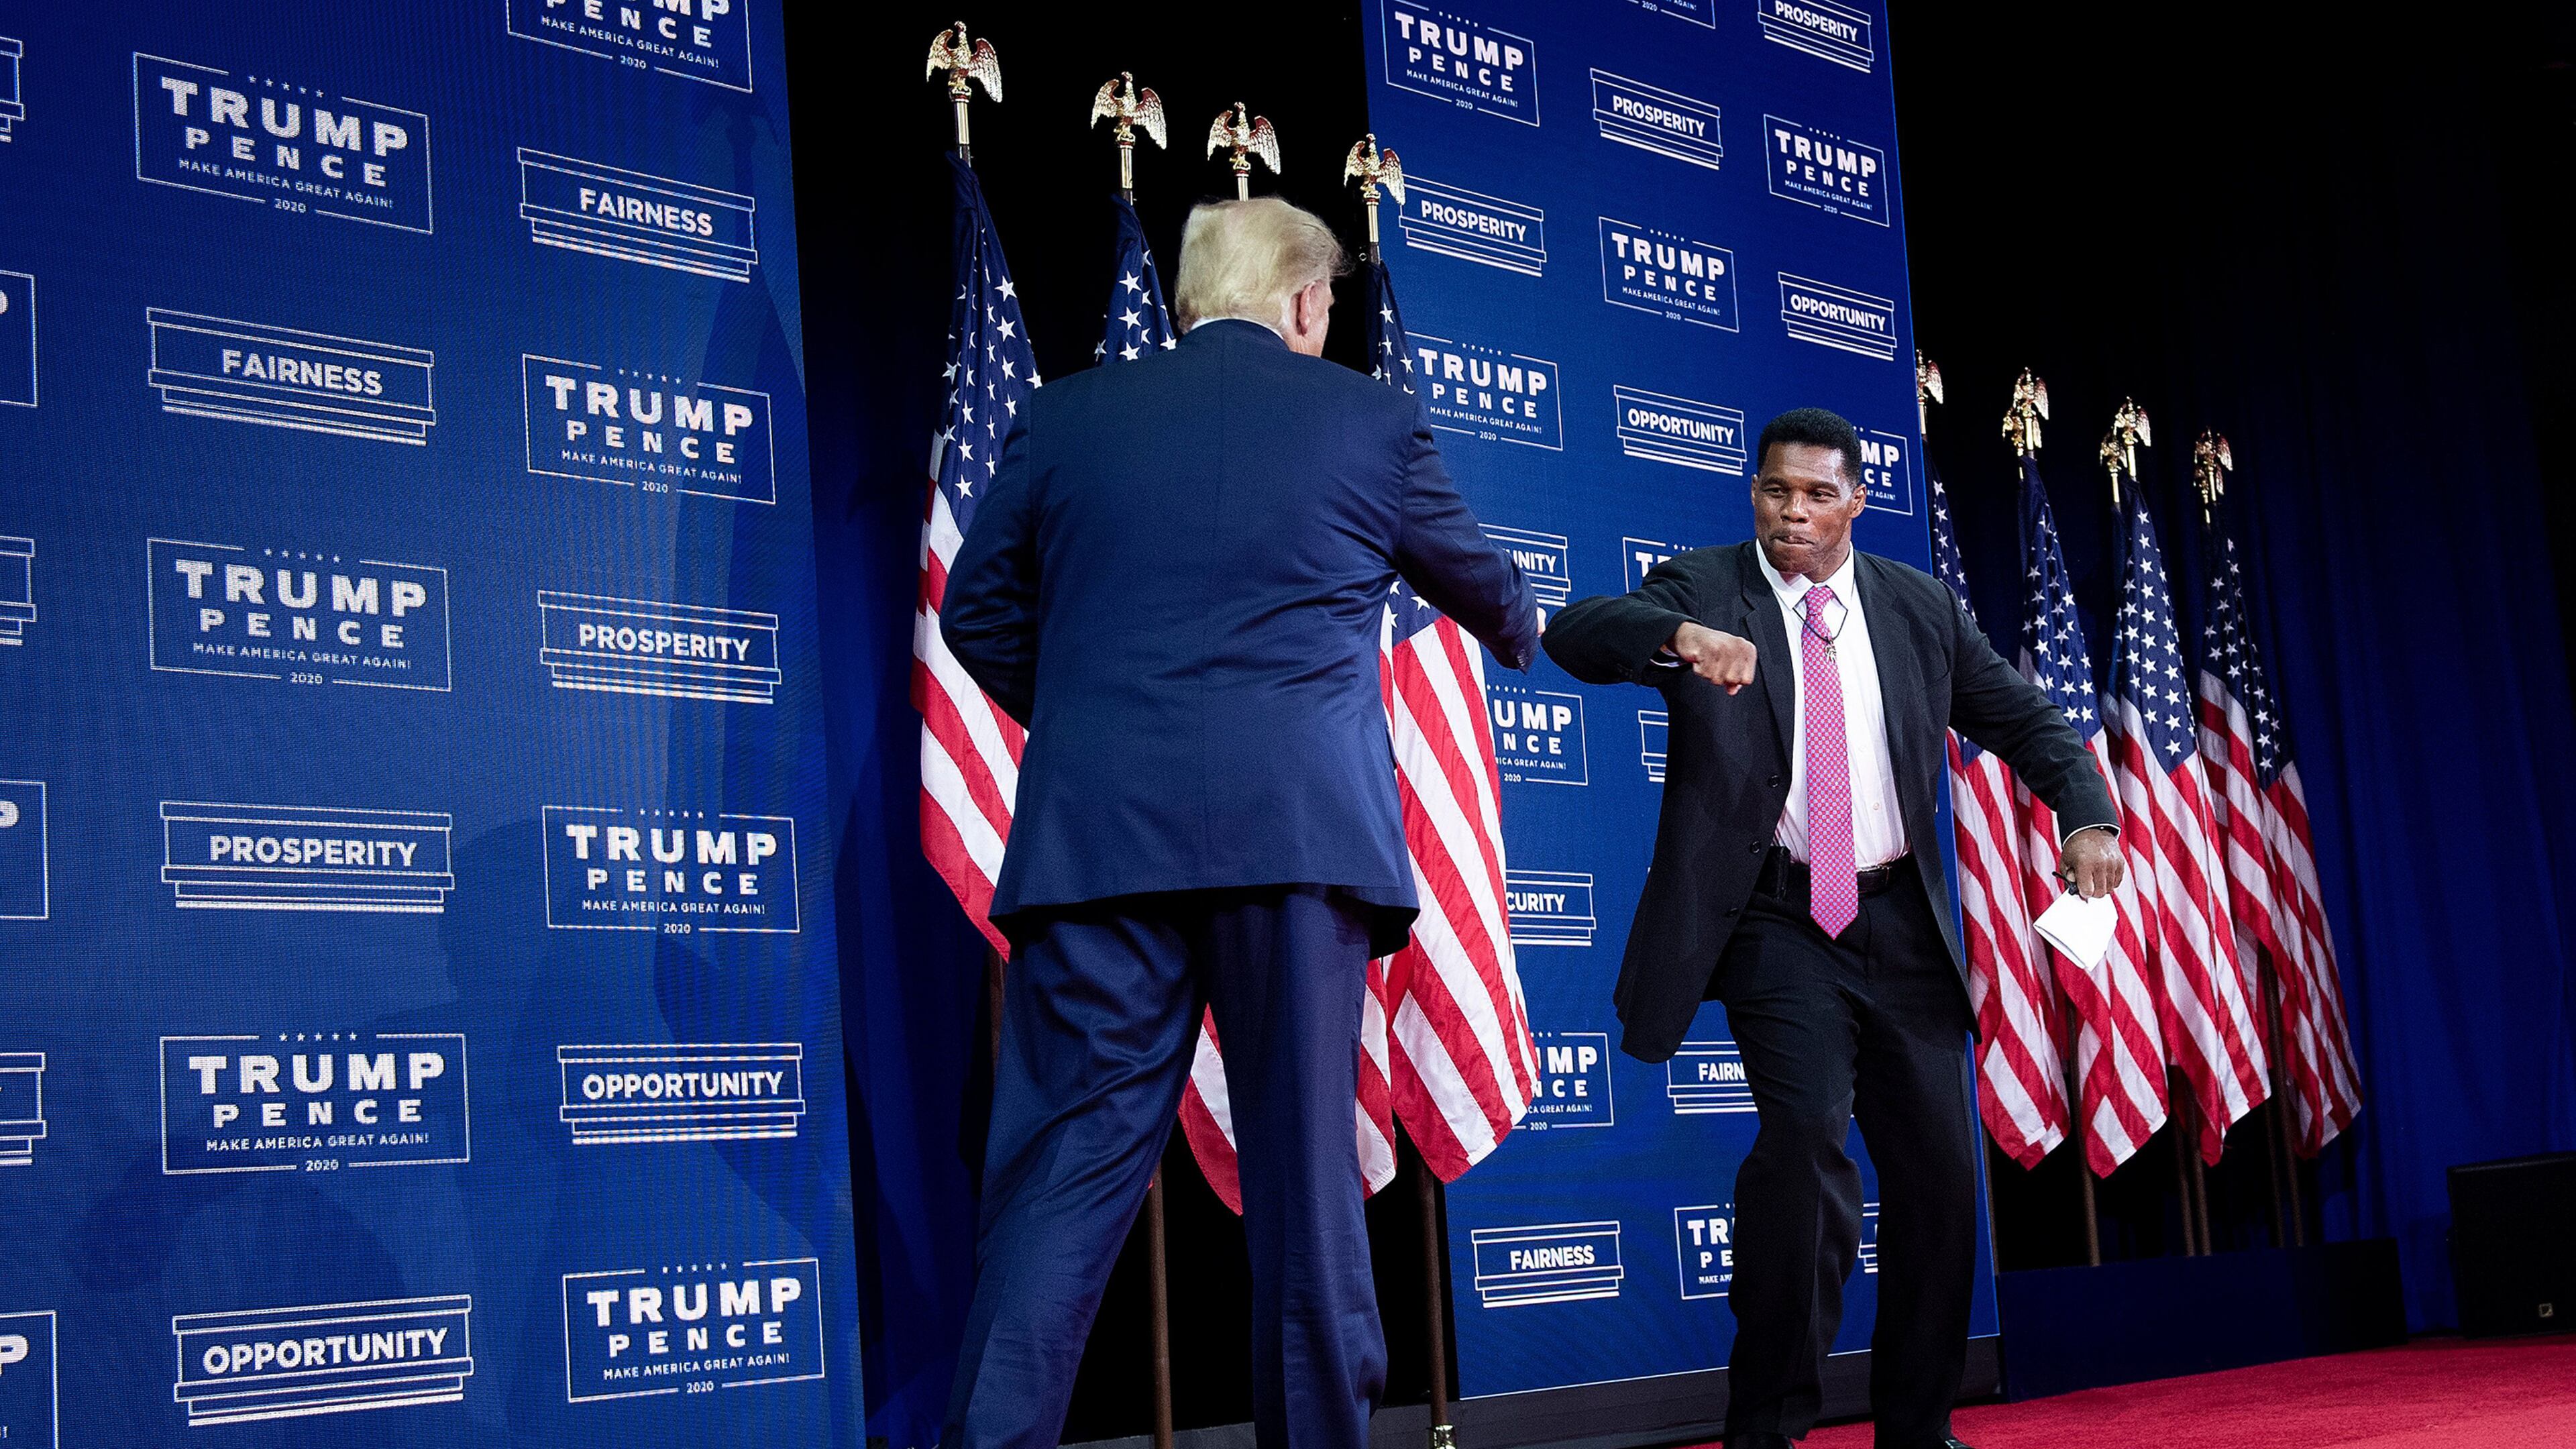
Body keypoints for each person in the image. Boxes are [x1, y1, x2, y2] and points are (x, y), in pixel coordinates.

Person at [938, 197, 1540, 1449]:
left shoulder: (1065, 413)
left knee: (1056, 1190)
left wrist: (1106, 723)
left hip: (1097, 854)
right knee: (1303, 1192)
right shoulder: (1367, 418)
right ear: (1308, 303)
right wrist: (1543, 629)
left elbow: (976, 620)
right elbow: (1489, 597)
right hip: (1298, 849)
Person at [1542, 409, 2121, 1449]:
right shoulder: (1704, 585)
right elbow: (1576, 632)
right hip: (1775, 918)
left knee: (1943, 1179)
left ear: (1856, 500)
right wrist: (1676, 637)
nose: (1793, 514)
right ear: (1753, 495)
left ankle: (1917, 1427)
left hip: (1897, 921)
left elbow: (2028, 721)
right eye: (1775, 492)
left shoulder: (1919, 608)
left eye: (1817, 495)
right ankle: (1766, 1428)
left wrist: (2085, 814)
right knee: (1806, 1140)